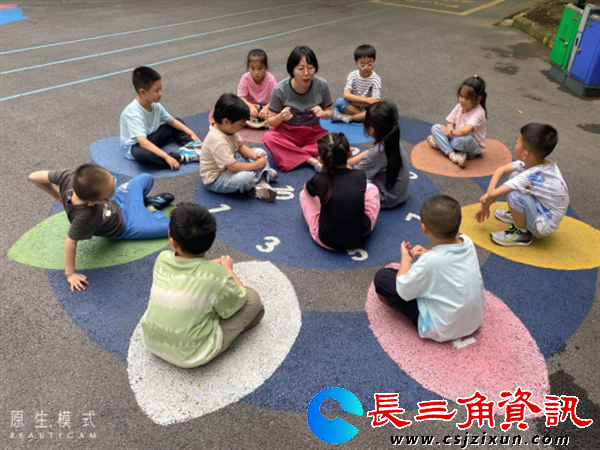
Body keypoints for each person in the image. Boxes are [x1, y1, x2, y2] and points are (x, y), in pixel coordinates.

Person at [141, 203, 265, 368]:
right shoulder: (217, 275)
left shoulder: (162, 258)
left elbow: (187, 269)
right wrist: (228, 270)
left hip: (151, 341)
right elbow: (240, 298)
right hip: (191, 355)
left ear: (172, 240)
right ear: (211, 240)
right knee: (253, 300)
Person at [28, 164, 174, 292]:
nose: (112, 191)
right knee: (170, 228)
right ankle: (151, 208)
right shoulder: (85, 216)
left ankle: (141, 206)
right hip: (124, 224)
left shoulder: (69, 176)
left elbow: (33, 177)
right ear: (93, 203)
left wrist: (58, 196)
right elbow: (70, 242)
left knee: (146, 178)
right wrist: (70, 274)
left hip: (120, 200)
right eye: (109, 194)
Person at [374, 195, 486, 342]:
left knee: (383, 277)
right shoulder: (468, 242)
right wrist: (429, 252)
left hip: (442, 328)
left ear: (424, 227)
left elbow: (404, 291)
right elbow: (449, 259)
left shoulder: (430, 262)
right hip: (473, 321)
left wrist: (405, 259)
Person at [475, 123, 568, 247]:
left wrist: (485, 205)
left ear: (525, 154)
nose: (515, 145)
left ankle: (522, 234)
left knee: (513, 193)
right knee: (514, 175)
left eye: (517, 143)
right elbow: (500, 170)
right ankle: (519, 215)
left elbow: (495, 193)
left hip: (542, 226)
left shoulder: (532, 175)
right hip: (543, 210)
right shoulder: (539, 162)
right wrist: (489, 196)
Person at [300, 132, 380, 250]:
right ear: (350, 153)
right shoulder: (359, 175)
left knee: (304, 194)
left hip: (327, 241)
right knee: (372, 188)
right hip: (360, 238)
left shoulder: (319, 179)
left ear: (321, 160)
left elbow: (306, 189)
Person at [264, 46, 334, 172]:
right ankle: (310, 159)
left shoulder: (322, 85)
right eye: (301, 69)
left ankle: (292, 154)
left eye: (310, 68)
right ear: (292, 69)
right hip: (287, 133)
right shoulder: (280, 89)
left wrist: (323, 113)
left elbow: (330, 112)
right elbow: (271, 122)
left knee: (334, 142)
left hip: (313, 133)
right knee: (269, 138)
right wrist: (281, 116)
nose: (306, 73)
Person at [120, 66, 201, 170]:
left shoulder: (155, 105)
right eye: (156, 90)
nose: (160, 93)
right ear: (142, 92)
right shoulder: (133, 113)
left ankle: (193, 146)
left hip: (150, 137)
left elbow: (172, 121)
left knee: (177, 122)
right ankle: (180, 157)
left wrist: (191, 133)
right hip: (137, 145)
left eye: (160, 88)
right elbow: (143, 142)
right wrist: (166, 156)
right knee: (142, 155)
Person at [200, 93, 278, 202]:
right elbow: (233, 167)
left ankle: (261, 180)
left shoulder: (227, 129)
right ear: (226, 121)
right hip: (216, 178)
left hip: (230, 165)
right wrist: (255, 165)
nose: (242, 127)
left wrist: (255, 156)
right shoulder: (217, 140)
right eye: (241, 124)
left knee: (259, 151)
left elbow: (241, 147)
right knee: (246, 178)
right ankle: (260, 178)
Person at [349, 101, 409, 209]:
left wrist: (336, 162)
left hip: (385, 198)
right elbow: (370, 151)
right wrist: (350, 161)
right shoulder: (392, 139)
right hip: (399, 194)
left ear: (372, 129)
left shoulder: (377, 152)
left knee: (344, 185)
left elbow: (353, 177)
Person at [427, 75, 487, 168]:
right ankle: (452, 154)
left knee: (464, 140)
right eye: (461, 96)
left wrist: (450, 133)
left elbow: (465, 131)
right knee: (435, 128)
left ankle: (441, 144)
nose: (462, 100)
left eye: (467, 98)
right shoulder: (460, 106)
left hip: (471, 144)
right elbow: (451, 122)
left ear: (478, 99)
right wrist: (449, 129)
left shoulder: (479, 113)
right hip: (455, 137)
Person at [332, 44, 382, 124]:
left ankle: (349, 118)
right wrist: (367, 100)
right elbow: (346, 95)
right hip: (354, 106)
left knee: (378, 110)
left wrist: (354, 100)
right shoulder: (353, 75)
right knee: (340, 102)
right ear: (356, 63)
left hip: (366, 107)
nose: (366, 67)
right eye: (362, 64)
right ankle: (365, 117)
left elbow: (375, 102)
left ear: (374, 61)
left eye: (370, 64)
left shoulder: (376, 79)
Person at [237, 49, 277, 129]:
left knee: (278, 114)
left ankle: (253, 123)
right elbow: (241, 97)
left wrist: (266, 108)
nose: (256, 72)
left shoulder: (271, 79)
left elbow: (276, 98)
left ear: (265, 67)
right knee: (234, 110)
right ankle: (259, 124)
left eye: (260, 68)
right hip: (250, 107)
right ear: (248, 67)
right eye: (252, 68)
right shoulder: (245, 78)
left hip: (267, 107)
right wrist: (251, 107)